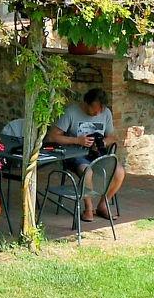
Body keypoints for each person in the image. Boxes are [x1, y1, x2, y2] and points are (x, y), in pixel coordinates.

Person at [47, 87, 127, 221]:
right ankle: (88, 208)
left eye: (100, 110)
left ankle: (103, 204)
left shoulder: (105, 113)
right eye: (94, 109)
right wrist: (77, 140)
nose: (97, 113)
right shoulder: (71, 112)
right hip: (75, 155)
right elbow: (53, 137)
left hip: (97, 153)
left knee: (119, 172)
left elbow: (112, 137)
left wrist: (101, 143)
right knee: (87, 172)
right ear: (86, 103)